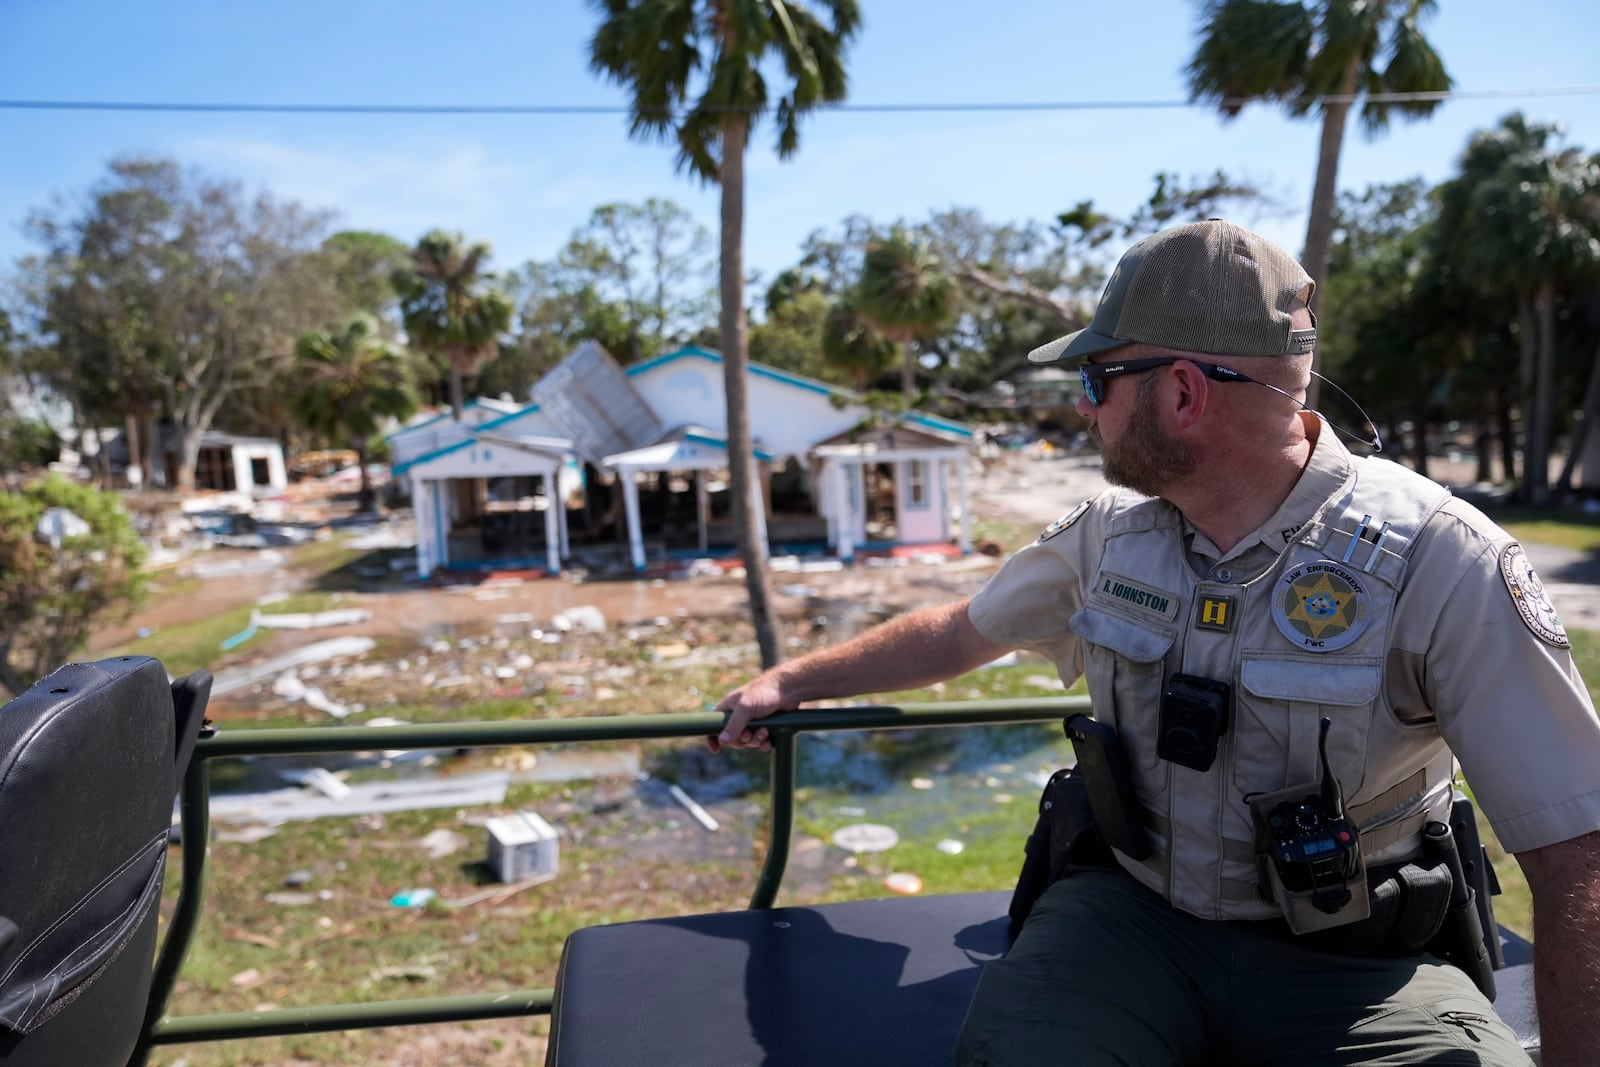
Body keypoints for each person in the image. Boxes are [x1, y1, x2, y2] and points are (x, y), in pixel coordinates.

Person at [710, 219, 1600, 1066]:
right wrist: (791, 680)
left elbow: (1576, 858)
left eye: (1097, 380)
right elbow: (957, 634)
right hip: (1132, 919)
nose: (1085, 410)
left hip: (1355, 959)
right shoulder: (1106, 535)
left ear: (1181, 392)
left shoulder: (1439, 558)